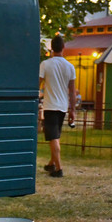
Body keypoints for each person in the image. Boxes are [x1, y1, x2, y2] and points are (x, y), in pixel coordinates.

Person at [38, 36, 77, 177]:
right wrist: (73, 110)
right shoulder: (70, 66)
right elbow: (72, 91)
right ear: (63, 47)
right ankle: (51, 164)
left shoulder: (46, 64)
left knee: (53, 137)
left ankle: (59, 168)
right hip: (63, 106)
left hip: (50, 105)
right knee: (56, 136)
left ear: (51, 48)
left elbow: (39, 82)